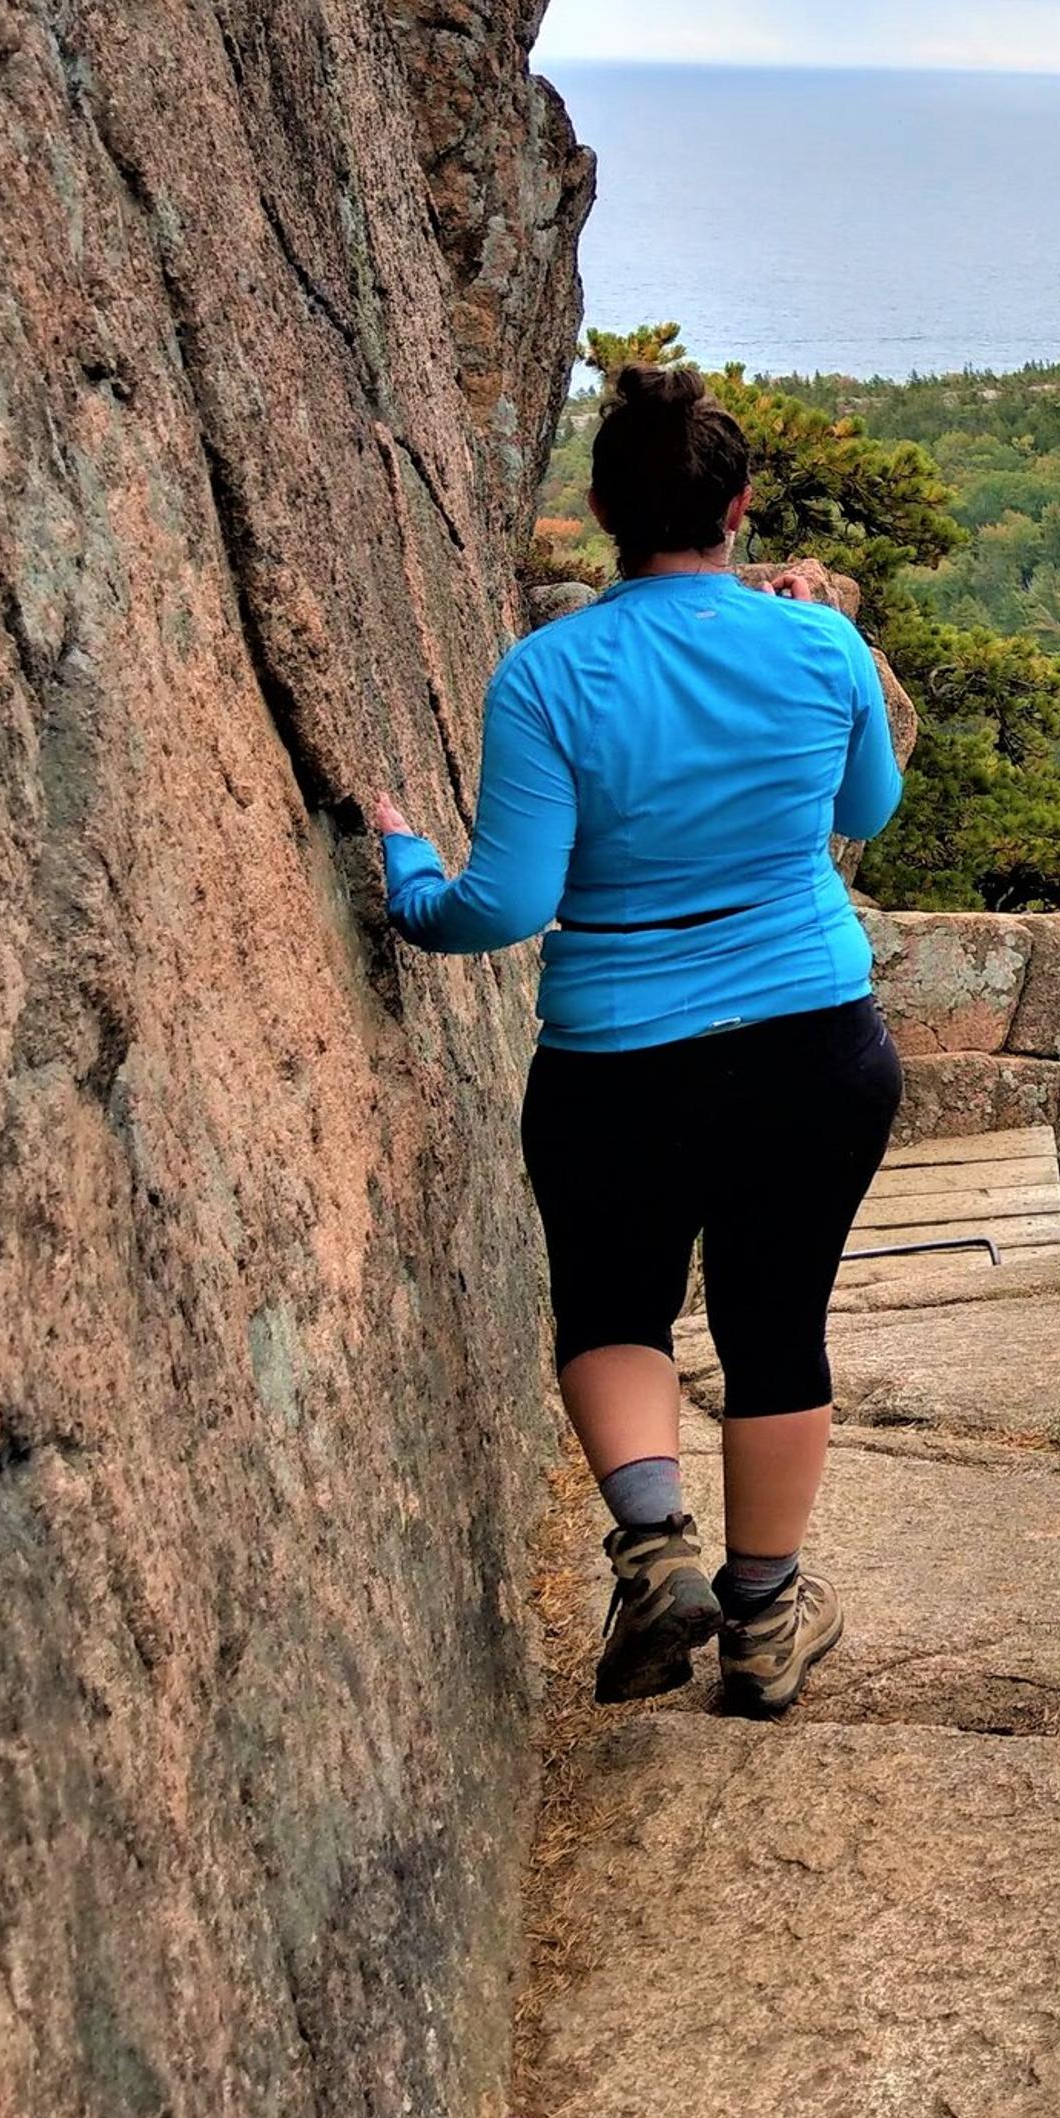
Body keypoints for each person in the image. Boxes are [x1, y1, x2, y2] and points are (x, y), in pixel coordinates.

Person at [369, 362, 905, 1719]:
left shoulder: (549, 675)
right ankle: (767, 1626)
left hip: (619, 1065)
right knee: (777, 1326)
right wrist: (814, 641)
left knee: (615, 1309)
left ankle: (655, 1548)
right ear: (737, 510)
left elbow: (504, 907)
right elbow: (872, 805)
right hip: (814, 1043)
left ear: (606, 508)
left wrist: (407, 875)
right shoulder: (821, 646)